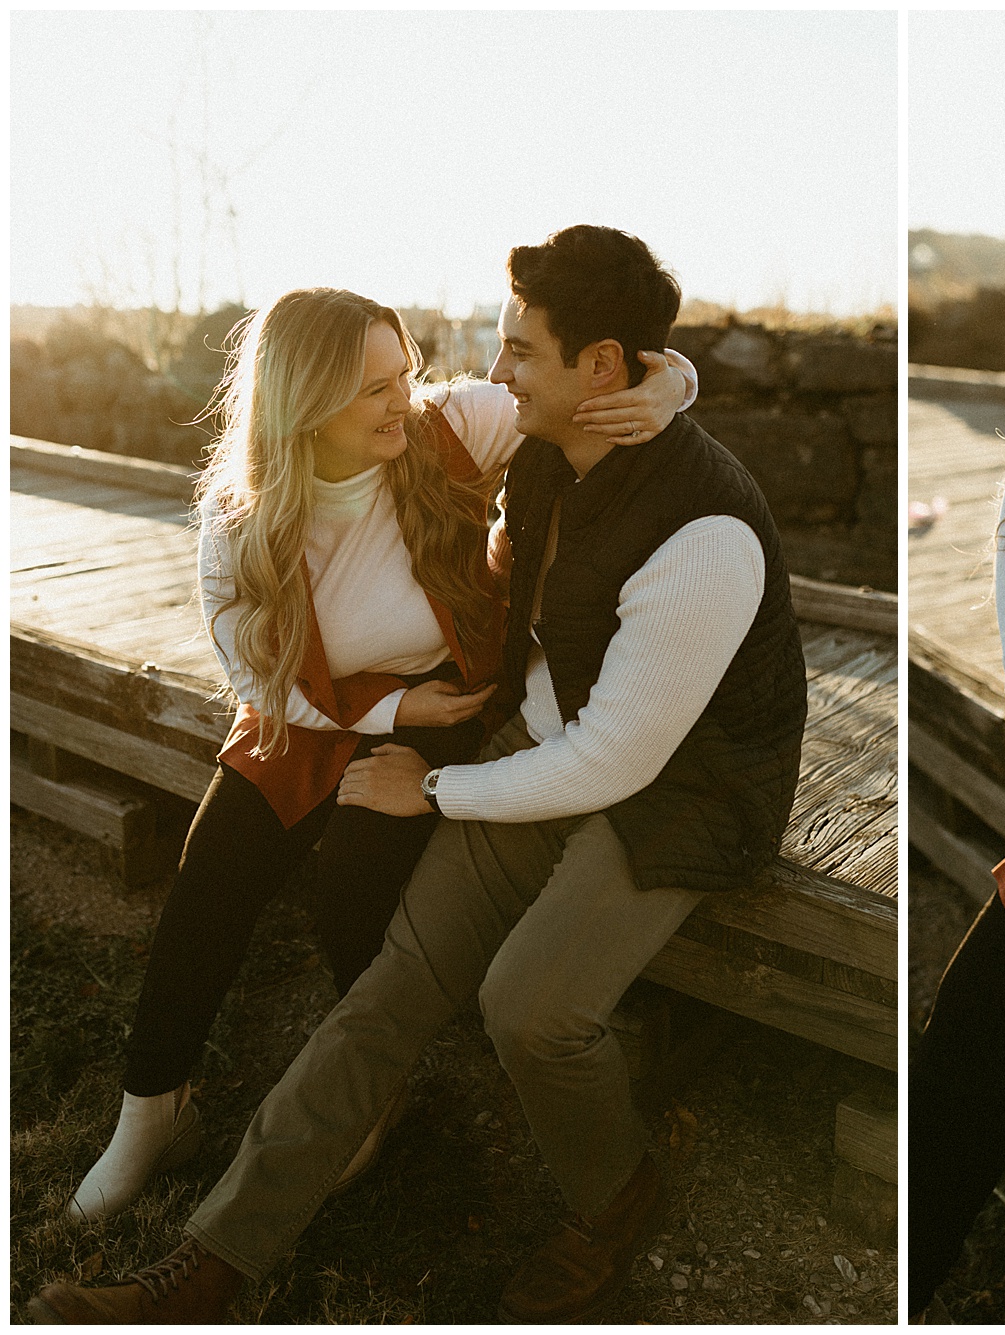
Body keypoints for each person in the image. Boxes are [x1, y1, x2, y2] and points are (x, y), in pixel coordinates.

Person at [33, 223, 808, 1325]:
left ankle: (616, 1198)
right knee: (388, 986)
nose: (486, 377)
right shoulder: (536, 458)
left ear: (597, 369)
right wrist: (428, 729)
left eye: (518, 353)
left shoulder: (707, 532)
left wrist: (436, 785)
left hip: (690, 786)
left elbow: (620, 759)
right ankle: (209, 1267)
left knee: (528, 1008)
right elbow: (277, 668)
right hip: (551, 738)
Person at [62, 286, 698, 1224]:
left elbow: (598, 386)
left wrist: (672, 382)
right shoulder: (239, 525)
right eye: (374, 389)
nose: (406, 398)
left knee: (357, 872)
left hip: (448, 699)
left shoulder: (449, 430)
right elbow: (258, 679)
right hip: (319, 708)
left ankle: (372, 1082)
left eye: (404, 373)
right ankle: (153, 1110)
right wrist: (385, 707)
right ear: (304, 402)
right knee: (213, 870)